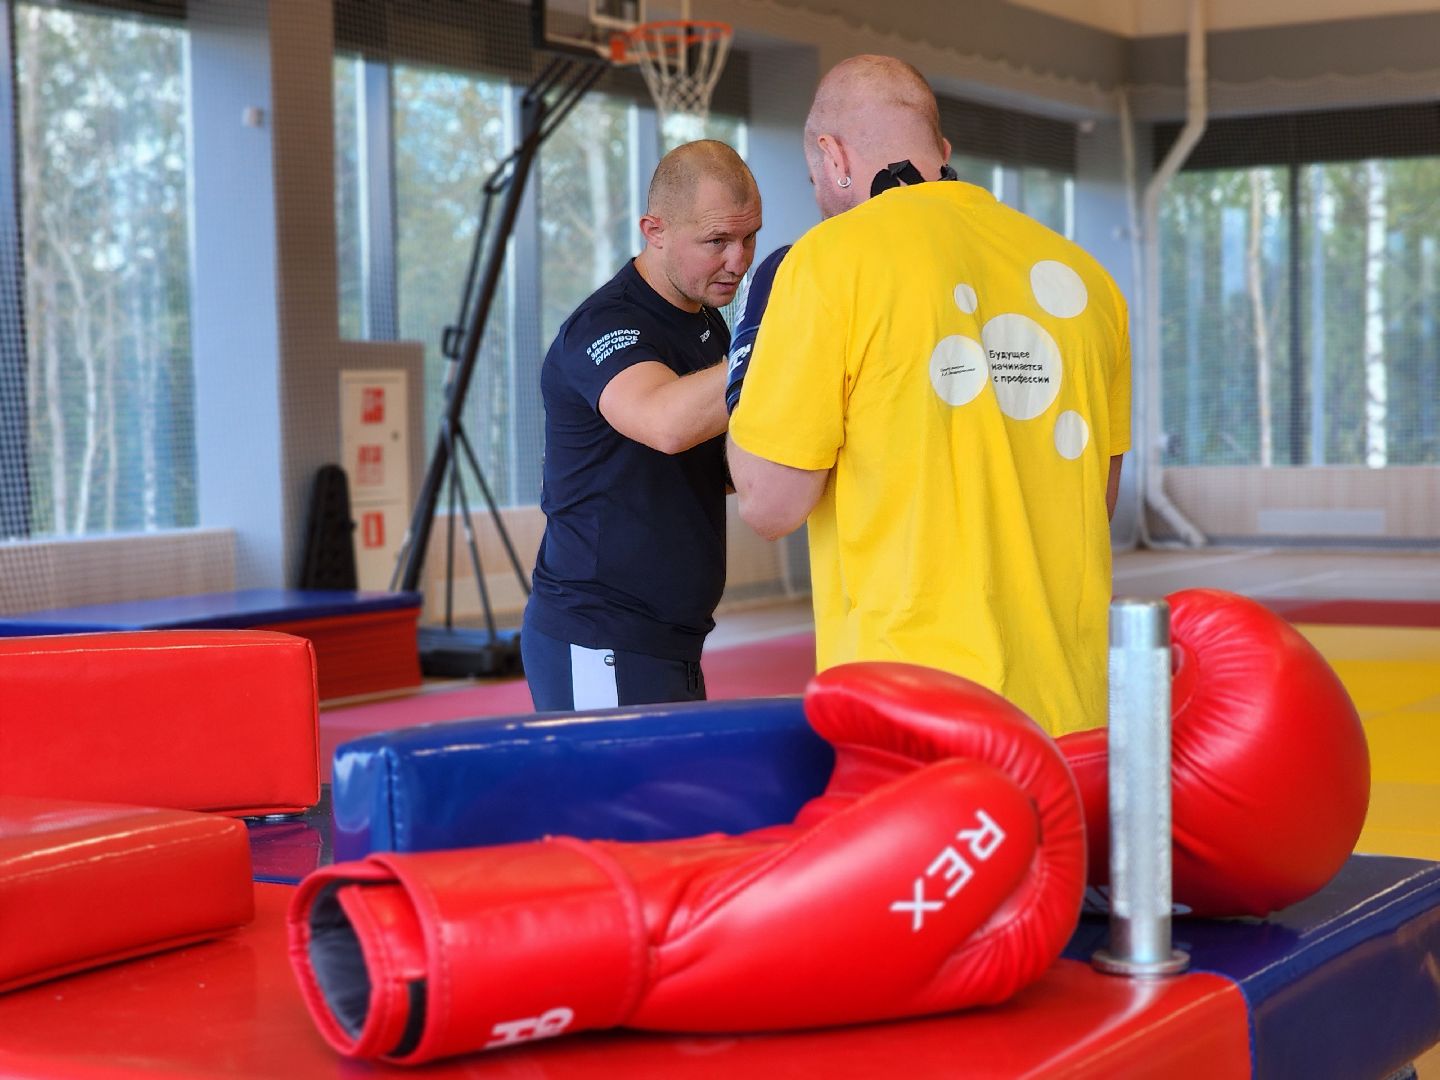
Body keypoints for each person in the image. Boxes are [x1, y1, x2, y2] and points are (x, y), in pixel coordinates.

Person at [726, 55, 1131, 738]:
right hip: (1076, 716)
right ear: (942, 151)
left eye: (813, 179)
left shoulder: (828, 262)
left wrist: (750, 357)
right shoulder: (1087, 279)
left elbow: (770, 502)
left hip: (913, 710)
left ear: (832, 156)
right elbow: (1097, 498)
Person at [522, 139, 762, 711]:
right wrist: (777, 346)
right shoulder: (604, 325)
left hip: (672, 638)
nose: (739, 260)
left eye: (749, 237)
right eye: (717, 241)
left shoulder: (707, 325)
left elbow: (718, 463)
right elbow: (666, 423)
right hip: (599, 636)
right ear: (655, 230)